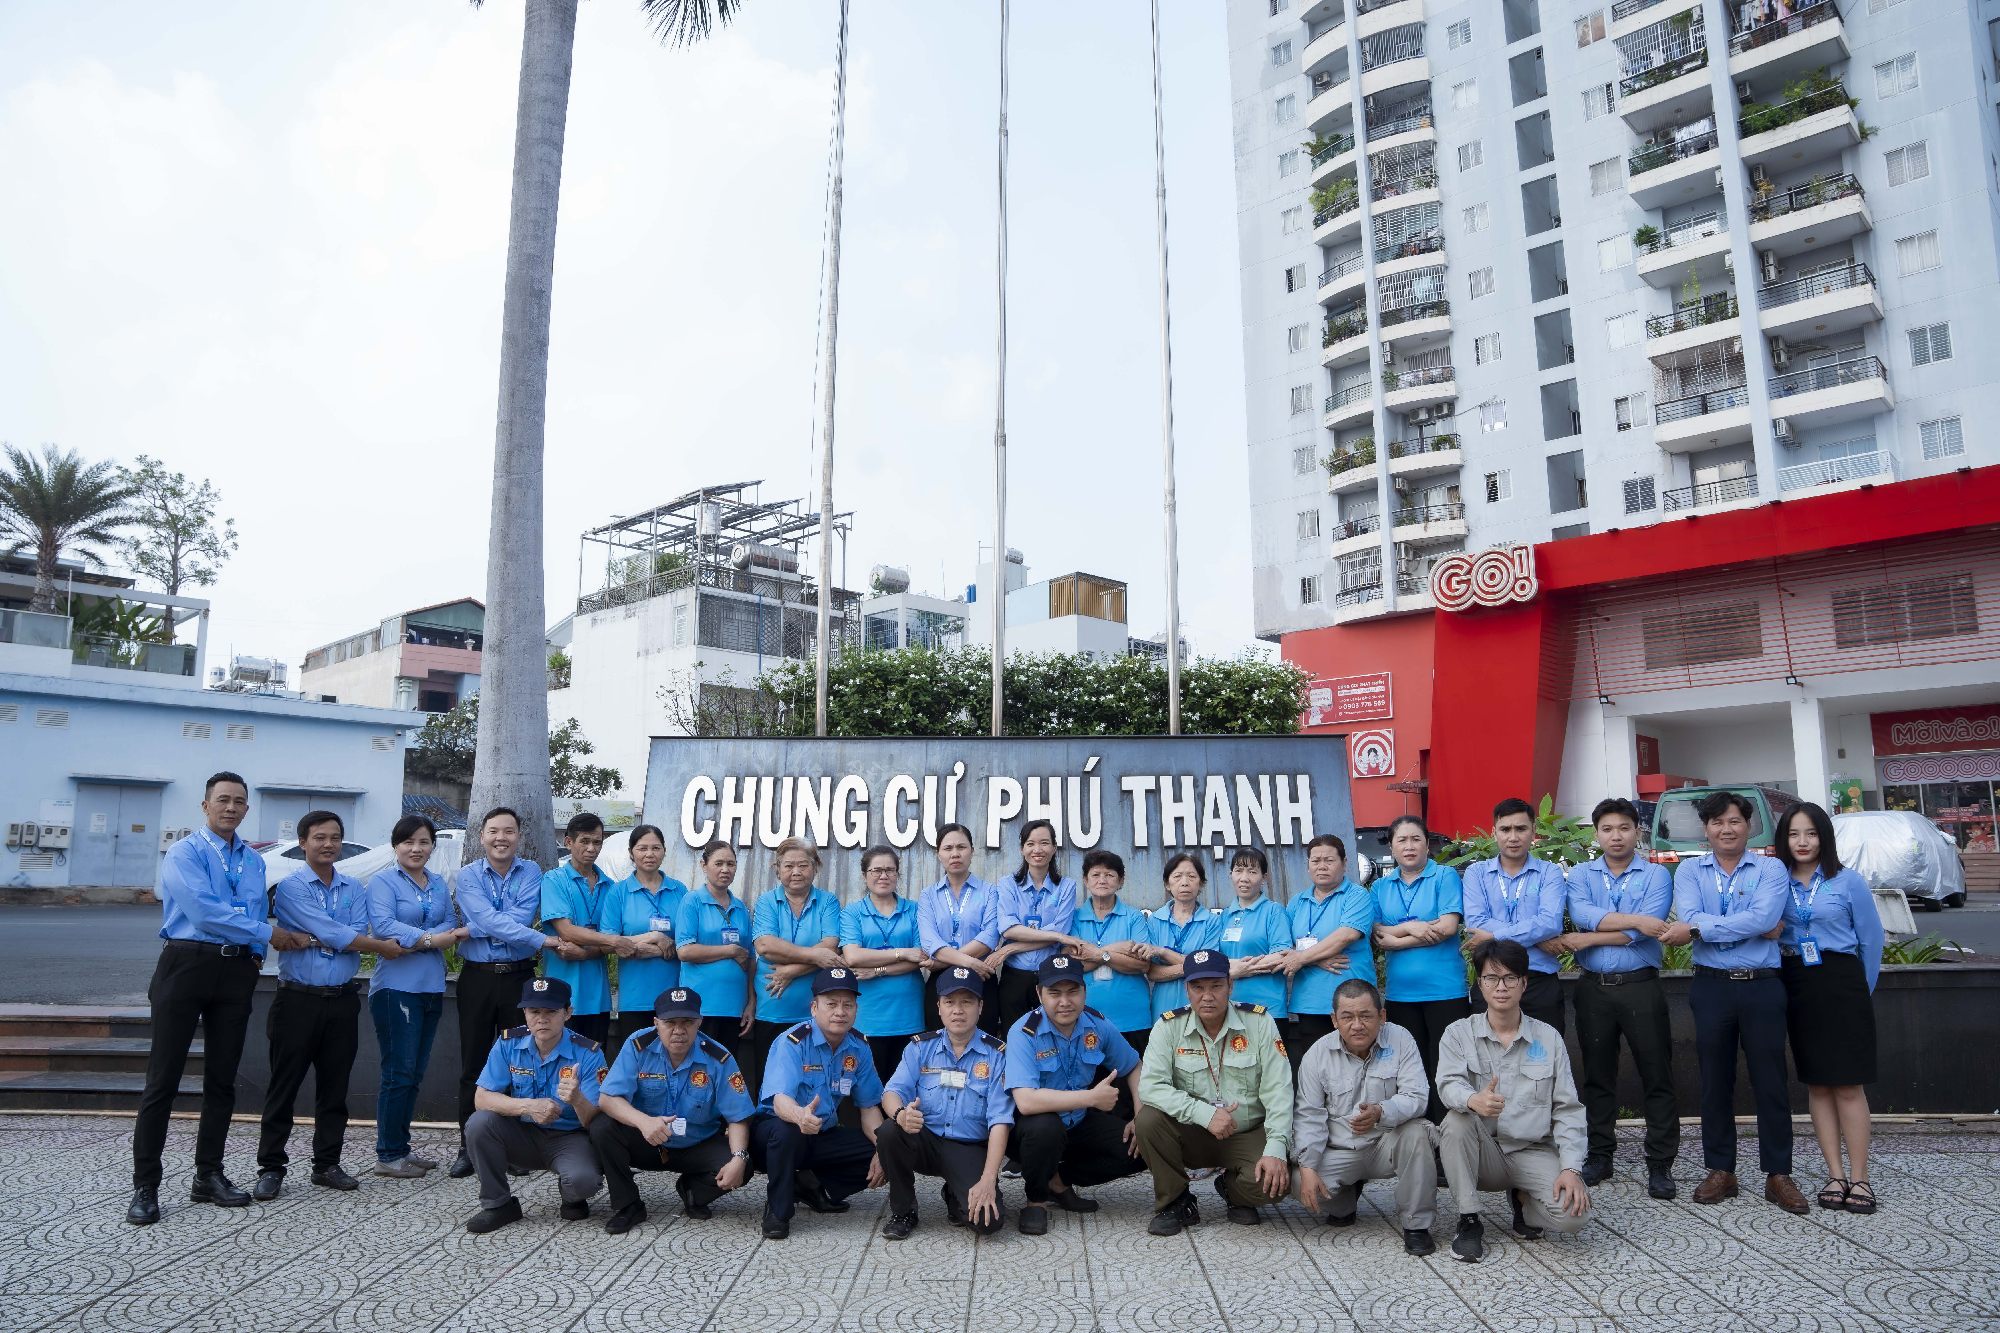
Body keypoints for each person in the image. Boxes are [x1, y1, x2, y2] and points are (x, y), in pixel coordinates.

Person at [128, 772, 310, 1225]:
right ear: (205, 805)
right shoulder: (184, 853)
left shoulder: (253, 860)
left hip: (234, 972)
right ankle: (146, 1186)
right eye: (223, 799)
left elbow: (253, 909)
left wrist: (253, 956)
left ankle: (208, 1175)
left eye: (239, 801)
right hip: (186, 964)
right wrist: (266, 934)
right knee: (163, 1080)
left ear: (247, 809)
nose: (231, 807)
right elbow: (203, 912)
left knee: (223, 1079)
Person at [1655, 790, 1806, 1214]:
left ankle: (1778, 1174)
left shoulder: (1771, 867)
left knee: (1771, 1080)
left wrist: (1702, 929)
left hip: (1762, 985)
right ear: (1706, 829)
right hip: (1712, 986)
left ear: (1749, 826)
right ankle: (1721, 1169)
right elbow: (1703, 917)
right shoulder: (1689, 870)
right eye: (1717, 822)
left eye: (1735, 821)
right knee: (1714, 1080)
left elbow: (1762, 918)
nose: (1727, 829)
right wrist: (1748, 925)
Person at [254, 810, 405, 1200]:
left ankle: (327, 1164)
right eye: (319, 837)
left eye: (335, 837)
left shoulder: (353, 887)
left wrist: (321, 937)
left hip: (341, 1000)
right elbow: (337, 934)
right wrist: (348, 940)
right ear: (303, 842)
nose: (328, 844)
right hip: (297, 1000)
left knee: (335, 1089)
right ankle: (271, 1167)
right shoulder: (291, 888)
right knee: (283, 1086)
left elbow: (351, 932)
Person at [1436, 940, 1591, 1264]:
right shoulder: (1458, 1033)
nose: (1501, 987)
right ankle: (1469, 1220)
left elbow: (1567, 1109)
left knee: (1574, 1217)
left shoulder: (1548, 1038)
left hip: (1533, 1150)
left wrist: (1571, 1168)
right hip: (1483, 1153)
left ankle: (1523, 1200)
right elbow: (1448, 1084)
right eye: (1491, 978)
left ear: (1524, 983)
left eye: (1510, 978)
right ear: (1480, 983)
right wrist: (1473, 1099)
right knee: (1456, 1121)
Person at [1554, 798, 1678, 1198]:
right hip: (1594, 988)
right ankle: (1600, 1155)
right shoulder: (1580, 875)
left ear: (1636, 831)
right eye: (1607, 829)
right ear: (1597, 834)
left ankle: (1660, 1163)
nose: (1616, 836)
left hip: (1641, 985)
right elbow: (1583, 914)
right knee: (1597, 1076)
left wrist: (1590, 938)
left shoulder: (1656, 875)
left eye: (1624, 828)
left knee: (1656, 1074)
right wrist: (1635, 920)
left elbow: (1647, 931)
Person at [1134, 949, 1292, 1235]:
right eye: (1198, 987)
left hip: (1246, 1132)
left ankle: (1233, 1190)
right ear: (1187, 990)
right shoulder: (1168, 1026)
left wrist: (1276, 1149)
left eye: (1216, 986)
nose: (1207, 996)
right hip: (1192, 1132)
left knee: (1276, 1185)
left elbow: (1278, 1089)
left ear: (1230, 985)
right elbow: (1150, 1087)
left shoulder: (1259, 1022)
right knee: (1147, 1120)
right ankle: (1176, 1201)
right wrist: (1204, 1114)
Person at [1776, 802, 1884, 1216]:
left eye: (1811, 833)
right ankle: (1834, 1175)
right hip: (1796, 982)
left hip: (1842, 982)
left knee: (1848, 1084)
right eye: (1793, 834)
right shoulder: (1776, 881)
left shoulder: (1847, 881)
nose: (1802, 842)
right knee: (1818, 1084)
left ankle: (1861, 1177)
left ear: (1824, 837)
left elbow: (1871, 940)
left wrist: (1861, 991)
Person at [450, 807, 566, 1178]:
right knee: (472, 1063)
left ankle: (515, 1148)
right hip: (478, 978)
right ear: (482, 836)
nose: (501, 838)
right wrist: (540, 939)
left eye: (509, 831)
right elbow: (490, 920)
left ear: (519, 836)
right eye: (494, 831)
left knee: (520, 1062)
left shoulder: (531, 872)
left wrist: (480, 926)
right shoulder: (468, 875)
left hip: (519, 978)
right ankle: (468, 1147)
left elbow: (514, 919)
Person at [588, 985, 756, 1234]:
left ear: (699, 1022)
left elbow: (738, 1116)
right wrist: (643, 1122)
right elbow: (608, 1098)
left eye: (687, 1022)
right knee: (602, 1127)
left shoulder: (718, 1057)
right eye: (670, 1023)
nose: (679, 1030)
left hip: (696, 1143)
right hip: (647, 1140)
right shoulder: (638, 1046)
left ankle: (693, 1191)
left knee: (742, 1164)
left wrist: (739, 1157)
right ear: (656, 1023)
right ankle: (628, 1205)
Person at [1292, 979, 1437, 1256]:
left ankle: (1416, 1225)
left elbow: (1418, 1096)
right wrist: (1308, 1165)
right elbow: (1309, 1115)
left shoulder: (1401, 1039)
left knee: (1418, 1132)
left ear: (1382, 1016)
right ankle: (1344, 1203)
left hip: (1387, 1142)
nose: (1357, 1025)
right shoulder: (1317, 1054)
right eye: (1347, 1017)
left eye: (1366, 1016)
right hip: (1340, 1148)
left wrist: (1381, 1111)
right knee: (1299, 1180)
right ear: (1334, 1020)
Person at [1004, 954, 1145, 1235]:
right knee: (1045, 1128)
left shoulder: (1097, 1024)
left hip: (1077, 1120)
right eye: (1054, 993)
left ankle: (1058, 1182)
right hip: (1030, 1129)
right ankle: (1036, 1201)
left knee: (1142, 1147)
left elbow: (1134, 1066)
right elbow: (1026, 1101)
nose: (1065, 1001)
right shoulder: (1023, 1032)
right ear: (1039, 994)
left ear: (1084, 991)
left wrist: (1141, 1115)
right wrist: (1091, 1098)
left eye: (1072, 992)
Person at [462, 976, 606, 1234]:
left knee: (583, 1182)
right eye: (534, 1011)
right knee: (479, 1123)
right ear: (525, 1014)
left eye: (551, 1012)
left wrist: (577, 1099)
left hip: (568, 1137)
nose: (542, 1019)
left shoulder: (588, 1053)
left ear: (568, 1013)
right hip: (521, 1133)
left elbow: (595, 1120)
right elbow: (481, 1098)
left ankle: (571, 1195)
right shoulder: (508, 1043)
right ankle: (498, 1204)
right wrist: (528, 1106)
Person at [876, 969, 1014, 1239]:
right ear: (939, 1007)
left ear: (980, 1007)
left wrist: (988, 1179)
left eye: (967, 1002)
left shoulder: (997, 1055)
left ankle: (954, 1193)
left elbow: (1000, 1120)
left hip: (968, 1147)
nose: (958, 1010)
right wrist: (901, 1114)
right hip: (925, 1140)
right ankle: (903, 1211)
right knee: (890, 1131)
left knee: (987, 1223)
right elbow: (891, 1092)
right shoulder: (920, 1047)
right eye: (950, 1002)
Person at [751, 967, 887, 1240]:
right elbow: (779, 1100)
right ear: (814, 1008)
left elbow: (869, 1107)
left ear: (856, 1010)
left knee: (891, 1148)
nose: (840, 1012)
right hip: (777, 1131)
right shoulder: (792, 1042)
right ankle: (778, 1211)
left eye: (847, 1005)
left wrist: (884, 1149)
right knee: (786, 1132)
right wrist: (799, 1115)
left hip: (822, 1132)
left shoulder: (859, 1047)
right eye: (831, 1004)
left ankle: (812, 1186)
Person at [366, 814, 467, 1178]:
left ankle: (401, 1148)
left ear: (432, 847)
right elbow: (383, 926)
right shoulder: (383, 882)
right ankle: (388, 1154)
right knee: (398, 1072)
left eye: (424, 842)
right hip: (396, 989)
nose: (416, 848)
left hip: (431, 986)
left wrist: (423, 940)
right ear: (396, 846)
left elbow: (451, 921)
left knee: (414, 1073)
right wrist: (430, 939)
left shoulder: (437, 882)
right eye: (408, 842)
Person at [1371, 815, 1469, 1122]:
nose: (1409, 846)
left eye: (1416, 839)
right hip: (1401, 996)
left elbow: (1448, 927)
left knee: (1447, 1070)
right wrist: (1414, 927)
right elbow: (1376, 933)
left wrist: (1396, 940)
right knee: (1411, 1072)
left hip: (1445, 992)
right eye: (1401, 840)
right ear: (1392, 847)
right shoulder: (1380, 886)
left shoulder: (1444, 876)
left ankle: (1449, 1137)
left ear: (1427, 844)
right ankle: (1420, 1137)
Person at [1462, 798, 1568, 1032]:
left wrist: (1494, 936)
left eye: (1521, 829)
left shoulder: (1550, 873)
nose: (1513, 837)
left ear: (1533, 831)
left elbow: (1550, 922)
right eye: (1505, 829)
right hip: (1491, 980)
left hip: (1539, 981)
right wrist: (1535, 937)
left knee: (1546, 1051)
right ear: (1494, 833)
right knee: (1487, 1052)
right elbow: (1476, 923)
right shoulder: (1476, 873)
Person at [1283, 834, 1377, 1078]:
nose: (1321, 866)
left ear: (1344, 863)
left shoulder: (1357, 896)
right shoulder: (1297, 902)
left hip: (1353, 1002)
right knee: (1316, 1073)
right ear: (1308, 865)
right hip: (1310, 1001)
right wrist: (1316, 958)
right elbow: (1285, 947)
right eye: (1315, 861)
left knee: (1357, 1071)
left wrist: (1302, 958)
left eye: (1329, 860)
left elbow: (1345, 936)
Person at [750, 838, 844, 1069]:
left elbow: (830, 947)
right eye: (789, 866)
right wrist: (815, 956)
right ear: (777, 869)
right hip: (772, 1008)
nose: (796, 872)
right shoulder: (766, 901)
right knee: (770, 1078)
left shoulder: (828, 901)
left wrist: (791, 971)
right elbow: (765, 946)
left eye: (803, 865)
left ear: (815, 867)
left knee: (814, 1077)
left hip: (816, 1011)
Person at [539, 812, 628, 1047]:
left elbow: (611, 939)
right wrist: (612, 941)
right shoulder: (554, 880)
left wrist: (586, 952)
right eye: (584, 841)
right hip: (559, 994)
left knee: (595, 1061)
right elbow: (566, 931)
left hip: (598, 997)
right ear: (569, 842)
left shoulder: (610, 887)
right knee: (559, 1062)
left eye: (597, 842)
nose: (591, 848)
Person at [840, 844, 928, 1080]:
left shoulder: (914, 910)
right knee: (868, 1085)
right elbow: (853, 956)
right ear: (864, 875)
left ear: (897, 874)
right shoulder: (852, 912)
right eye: (876, 870)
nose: (883, 875)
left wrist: (877, 970)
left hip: (908, 1012)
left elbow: (920, 958)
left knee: (905, 1084)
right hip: (868, 1014)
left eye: (890, 870)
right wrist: (902, 952)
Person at [994, 818, 1084, 1030]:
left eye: (1044, 843)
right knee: (1014, 1034)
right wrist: (1056, 936)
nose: (1037, 850)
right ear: (1022, 849)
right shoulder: (1008, 884)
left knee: (1050, 1035)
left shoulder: (1066, 886)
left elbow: (1061, 929)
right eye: (1030, 844)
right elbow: (1009, 928)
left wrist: (1012, 948)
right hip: (1014, 976)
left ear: (1054, 848)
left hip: (1052, 976)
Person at [603, 824, 687, 1049]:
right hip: (635, 997)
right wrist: (654, 936)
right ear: (631, 853)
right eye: (642, 848)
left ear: (664, 851)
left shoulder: (679, 891)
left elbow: (688, 941)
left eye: (656, 848)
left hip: (674, 994)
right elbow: (608, 942)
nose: (649, 854)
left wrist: (647, 950)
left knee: (673, 1058)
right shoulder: (618, 892)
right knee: (636, 1059)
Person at [1064, 849, 1154, 1056]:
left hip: (1132, 1018)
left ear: (1120, 881)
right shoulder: (1074, 917)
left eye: (1110, 875)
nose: (1102, 880)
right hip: (1085, 1017)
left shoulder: (1134, 917)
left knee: (1133, 1074)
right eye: (1096, 874)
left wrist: (1098, 954)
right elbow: (1073, 964)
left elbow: (1142, 964)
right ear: (1086, 880)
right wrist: (1117, 951)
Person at [916, 822, 1002, 1033]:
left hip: (980, 979)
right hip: (944, 979)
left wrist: (941, 962)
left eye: (961, 847)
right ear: (938, 854)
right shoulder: (928, 895)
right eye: (948, 848)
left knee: (984, 1045)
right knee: (937, 1045)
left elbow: (989, 937)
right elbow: (930, 941)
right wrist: (969, 962)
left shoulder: (990, 891)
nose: (955, 854)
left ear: (972, 851)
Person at [675, 840, 756, 1058]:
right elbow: (685, 951)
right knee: (699, 1069)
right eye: (718, 863)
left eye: (731, 864)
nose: (725, 869)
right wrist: (730, 951)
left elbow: (750, 960)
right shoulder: (692, 901)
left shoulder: (741, 908)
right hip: (701, 1006)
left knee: (727, 1069)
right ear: (704, 865)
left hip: (734, 1006)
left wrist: (751, 1002)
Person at [1217, 847, 1295, 1020]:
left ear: (1264, 877)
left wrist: (1242, 968)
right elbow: (1215, 960)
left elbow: (1281, 956)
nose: (1244, 878)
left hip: (1267, 1009)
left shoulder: (1274, 911)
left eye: (1252, 872)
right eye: (1238, 871)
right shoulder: (1224, 916)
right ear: (1231, 875)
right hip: (1229, 1008)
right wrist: (1235, 968)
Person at [1145, 852, 1222, 1021]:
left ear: (1201, 884)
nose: (1185, 882)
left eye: (1191, 876)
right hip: (1162, 1007)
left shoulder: (1212, 921)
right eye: (1177, 876)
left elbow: (1206, 967)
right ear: (1167, 884)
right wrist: (1192, 964)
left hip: (1201, 1007)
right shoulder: (1154, 921)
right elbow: (1152, 972)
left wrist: (1164, 953)